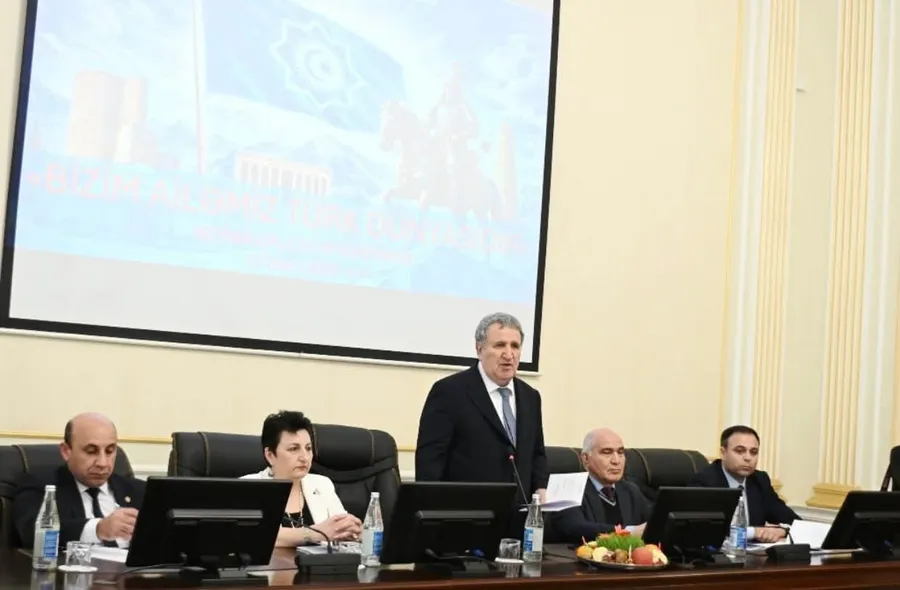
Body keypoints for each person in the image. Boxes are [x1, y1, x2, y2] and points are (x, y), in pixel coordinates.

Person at [415, 313, 549, 511]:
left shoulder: (530, 397)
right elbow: (430, 463)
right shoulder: (449, 392)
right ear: (479, 349)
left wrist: (541, 489)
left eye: (515, 346)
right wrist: (434, 512)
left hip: (518, 516)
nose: (509, 354)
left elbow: (537, 453)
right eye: (500, 345)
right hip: (468, 515)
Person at [13, 412, 146, 548]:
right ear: (66, 451)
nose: (103, 463)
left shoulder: (140, 491)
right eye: (91, 451)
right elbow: (31, 532)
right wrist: (98, 529)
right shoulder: (41, 485)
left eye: (109, 451)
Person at [240, 411, 362, 547]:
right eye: (294, 449)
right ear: (270, 455)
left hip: (319, 561)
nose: (304, 457)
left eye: (308, 448)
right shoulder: (249, 487)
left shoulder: (322, 484)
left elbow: (341, 529)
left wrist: (354, 530)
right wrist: (315, 533)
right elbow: (253, 535)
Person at [688, 425, 799, 543]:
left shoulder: (760, 480)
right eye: (740, 451)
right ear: (723, 453)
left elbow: (794, 521)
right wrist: (754, 532)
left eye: (753, 452)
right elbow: (704, 530)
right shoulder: (705, 481)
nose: (748, 458)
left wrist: (783, 530)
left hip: (754, 553)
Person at [553, 428, 652, 544]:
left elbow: (653, 526)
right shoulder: (566, 487)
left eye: (620, 452)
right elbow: (574, 528)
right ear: (585, 458)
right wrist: (627, 532)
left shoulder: (631, 491)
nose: (616, 461)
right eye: (607, 452)